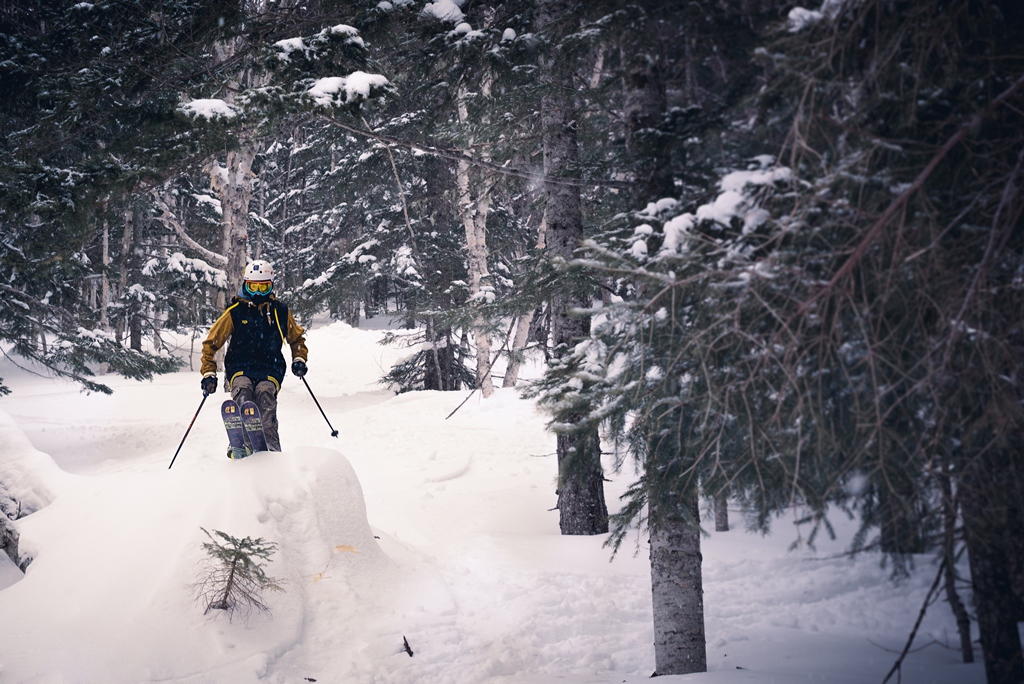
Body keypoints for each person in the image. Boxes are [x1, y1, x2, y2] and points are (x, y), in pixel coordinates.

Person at [200, 259, 308, 453]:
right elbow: (211, 343)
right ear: (245, 284)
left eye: (263, 287)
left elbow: (297, 338)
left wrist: (299, 359)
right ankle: (242, 443)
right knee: (242, 388)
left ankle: (271, 445)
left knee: (265, 393)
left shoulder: (280, 312)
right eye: (253, 287)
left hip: (270, 367)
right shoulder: (235, 312)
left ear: (271, 286)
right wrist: (209, 373)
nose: (258, 293)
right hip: (240, 365)